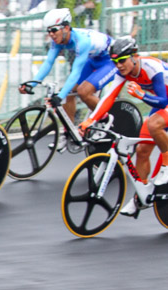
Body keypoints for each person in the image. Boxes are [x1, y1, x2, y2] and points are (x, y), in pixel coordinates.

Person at [78, 36, 168, 217]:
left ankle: (167, 165)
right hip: (162, 106)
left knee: (154, 123)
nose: (118, 65)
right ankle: (141, 196)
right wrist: (91, 120)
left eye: (122, 60)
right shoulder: (123, 73)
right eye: (114, 62)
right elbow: (109, 97)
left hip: (164, 102)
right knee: (142, 150)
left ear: (134, 56)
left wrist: (142, 95)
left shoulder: (152, 68)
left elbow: (163, 100)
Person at [18, 8, 116, 152]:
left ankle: (106, 119)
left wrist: (60, 96)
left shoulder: (81, 41)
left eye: (54, 30)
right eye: (48, 31)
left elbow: (76, 72)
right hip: (94, 59)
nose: (51, 34)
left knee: (83, 91)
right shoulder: (58, 40)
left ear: (66, 28)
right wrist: (32, 84)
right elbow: (48, 63)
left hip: (109, 61)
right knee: (69, 93)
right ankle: (69, 133)